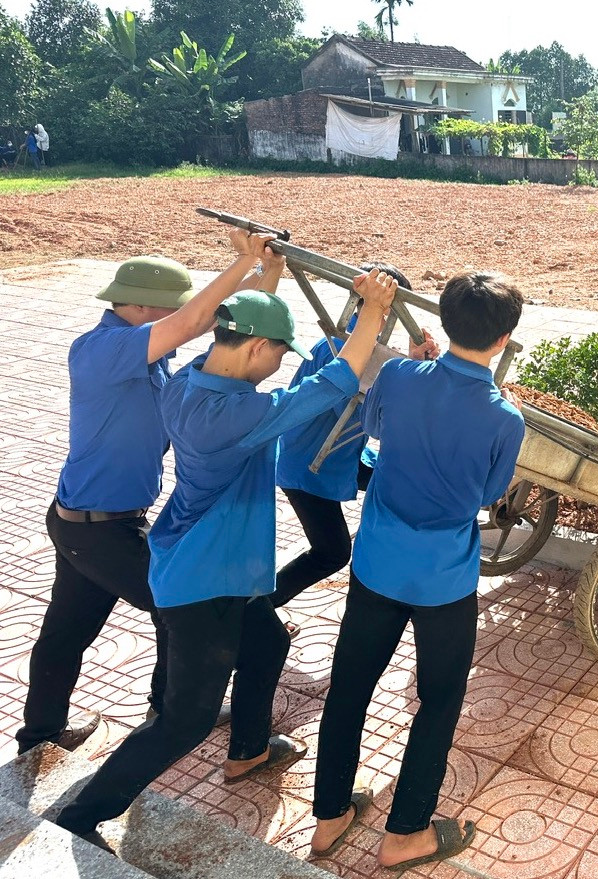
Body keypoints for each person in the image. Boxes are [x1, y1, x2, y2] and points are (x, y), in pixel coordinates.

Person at [55, 269, 398, 851]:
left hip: (206, 562)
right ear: (259, 348)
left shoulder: (187, 382)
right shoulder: (234, 418)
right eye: (277, 355)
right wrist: (373, 312)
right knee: (184, 722)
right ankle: (83, 816)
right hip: (203, 582)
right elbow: (333, 384)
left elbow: (253, 350)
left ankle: (248, 750)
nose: (278, 367)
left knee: (268, 643)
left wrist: (267, 276)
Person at [15, 232, 277, 758]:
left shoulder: (152, 359)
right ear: (134, 305)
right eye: (167, 311)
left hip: (92, 522)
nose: (183, 320)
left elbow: (227, 336)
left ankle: (40, 735)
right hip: (98, 528)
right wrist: (242, 259)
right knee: (176, 604)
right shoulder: (100, 350)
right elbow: (191, 322)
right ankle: (168, 709)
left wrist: (265, 275)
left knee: (67, 631)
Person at [308, 272, 525, 872]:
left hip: (377, 563)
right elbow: (487, 495)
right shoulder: (505, 418)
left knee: (350, 686)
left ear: (447, 323)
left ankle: (329, 819)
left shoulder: (400, 376)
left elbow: (374, 430)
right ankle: (406, 832)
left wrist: (412, 366)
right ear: (504, 339)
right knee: (438, 698)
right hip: (444, 581)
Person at [272, 262, 439, 619]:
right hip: (309, 467)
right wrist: (414, 369)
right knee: (331, 553)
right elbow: (374, 417)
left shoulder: (360, 345)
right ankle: (257, 610)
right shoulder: (337, 349)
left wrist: (410, 365)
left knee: (393, 479)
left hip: (340, 456)